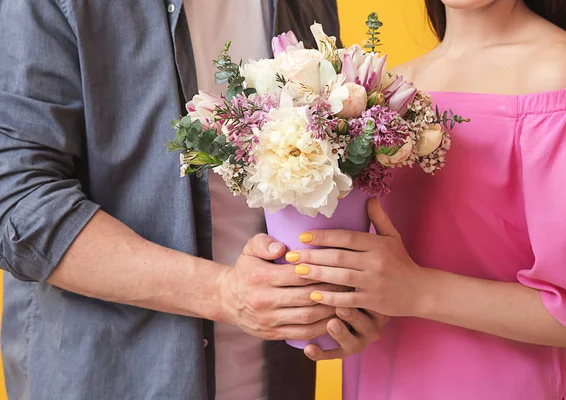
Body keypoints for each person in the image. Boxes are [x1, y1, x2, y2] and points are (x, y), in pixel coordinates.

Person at [0, 1, 376, 399]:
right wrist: (223, 294)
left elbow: (332, 161)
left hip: (278, 377)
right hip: (111, 377)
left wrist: (349, 299)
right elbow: (17, 199)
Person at [285, 0, 566, 399]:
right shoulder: (388, 90)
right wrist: (339, 307)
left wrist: (416, 290)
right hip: (384, 378)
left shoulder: (560, 73)